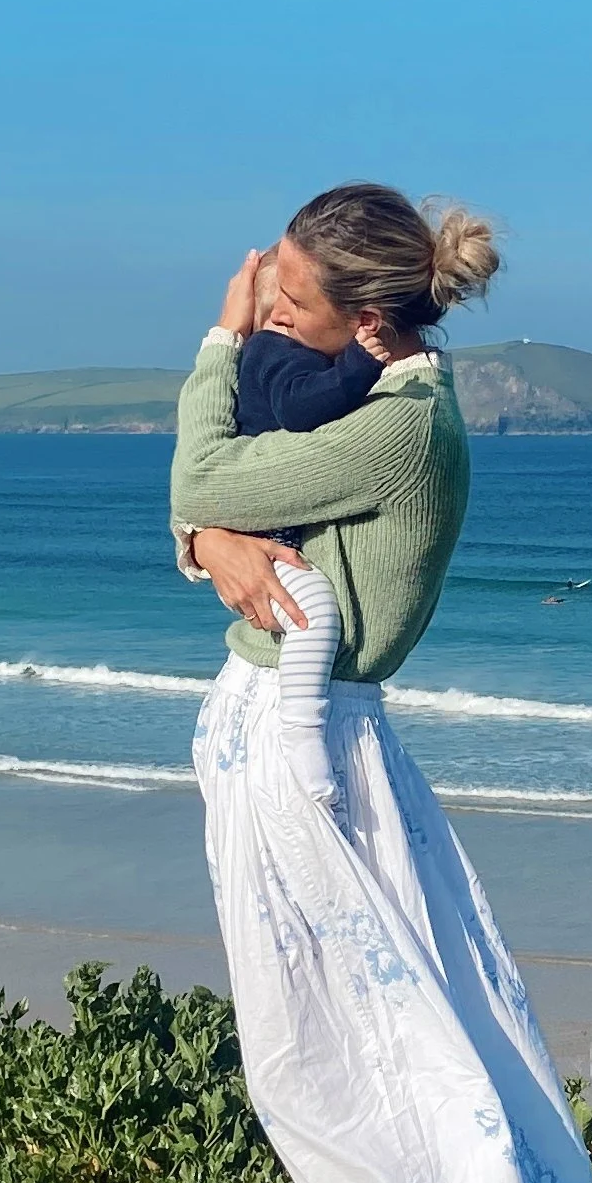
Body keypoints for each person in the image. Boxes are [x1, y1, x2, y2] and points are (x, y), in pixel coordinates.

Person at [171, 183, 592, 1183]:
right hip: (274, 724)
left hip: (318, 743)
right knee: (293, 1032)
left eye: (286, 299)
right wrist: (211, 547)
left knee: (358, 1038)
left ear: (366, 317)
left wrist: (210, 350)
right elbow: (206, 505)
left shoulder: (401, 430)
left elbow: (202, 468)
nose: (261, 315)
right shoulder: (364, 394)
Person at [227, 252, 385, 808]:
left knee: (307, 607)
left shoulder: (271, 350)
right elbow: (299, 409)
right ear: (285, 317)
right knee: (313, 609)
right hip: (266, 528)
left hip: (268, 522)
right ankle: (300, 727)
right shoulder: (275, 353)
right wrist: (359, 367)